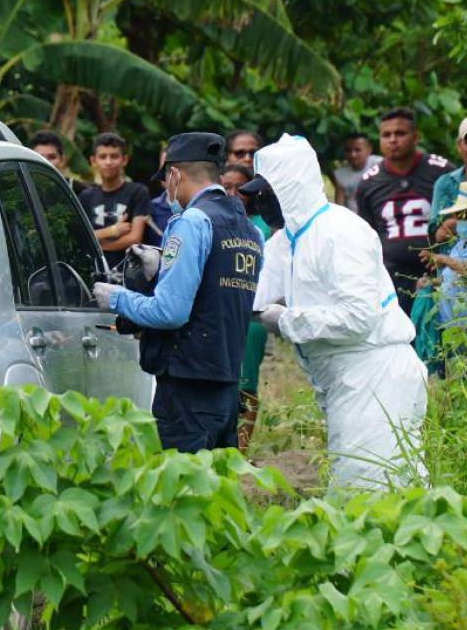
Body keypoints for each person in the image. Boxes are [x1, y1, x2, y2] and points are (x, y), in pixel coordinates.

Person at [245, 133, 427, 490]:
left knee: (375, 494)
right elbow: (251, 291)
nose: (259, 201)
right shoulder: (289, 240)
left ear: (289, 186)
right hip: (344, 381)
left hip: (375, 376)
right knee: (362, 492)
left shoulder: (340, 233)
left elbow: (359, 317)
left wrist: (285, 320)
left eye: (265, 191)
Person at [93, 132, 263, 453]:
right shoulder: (248, 229)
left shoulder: (192, 222)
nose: (166, 190)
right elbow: (216, 293)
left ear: (174, 175)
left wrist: (114, 297)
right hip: (226, 383)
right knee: (215, 491)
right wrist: (161, 270)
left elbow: (170, 312)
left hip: (188, 387)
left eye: (165, 181)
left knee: (183, 493)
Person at [354, 107, 454, 316]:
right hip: (391, 278)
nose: (393, 140)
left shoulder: (441, 171)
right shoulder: (369, 183)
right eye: (386, 135)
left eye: (400, 133)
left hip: (437, 272)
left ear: (415, 136)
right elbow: (367, 233)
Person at [221, 163, 272, 451]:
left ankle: (241, 449)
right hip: (223, 312)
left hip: (251, 312)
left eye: (238, 188)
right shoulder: (212, 221)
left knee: (246, 383)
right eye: (225, 186)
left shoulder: (261, 226)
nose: (231, 193)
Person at [78, 132, 150, 268]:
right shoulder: (85, 196)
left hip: (128, 272)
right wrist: (112, 230)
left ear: (124, 160)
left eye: (114, 156)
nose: (108, 162)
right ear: (93, 161)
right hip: (94, 270)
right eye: (103, 157)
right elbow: (79, 238)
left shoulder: (138, 192)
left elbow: (135, 238)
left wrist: (97, 244)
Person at [426, 180, 467, 343]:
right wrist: (432, 283)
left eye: (463, 215)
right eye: (457, 215)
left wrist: (445, 260)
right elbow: (452, 279)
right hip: (453, 332)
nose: (457, 219)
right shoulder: (462, 243)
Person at [429, 115, 467, 243]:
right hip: (451, 258)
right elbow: (436, 233)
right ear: (459, 146)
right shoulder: (445, 183)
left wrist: (455, 224)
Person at [332, 132, 381, 213]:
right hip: (355, 220)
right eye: (348, 150)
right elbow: (339, 206)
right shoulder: (340, 174)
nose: (353, 154)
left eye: (357, 150)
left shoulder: (380, 164)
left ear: (369, 150)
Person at [28, 130, 84, 194]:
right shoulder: (22, 188)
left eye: (52, 157)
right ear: (30, 160)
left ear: (62, 160)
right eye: (40, 157)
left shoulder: (79, 191)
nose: (46, 162)